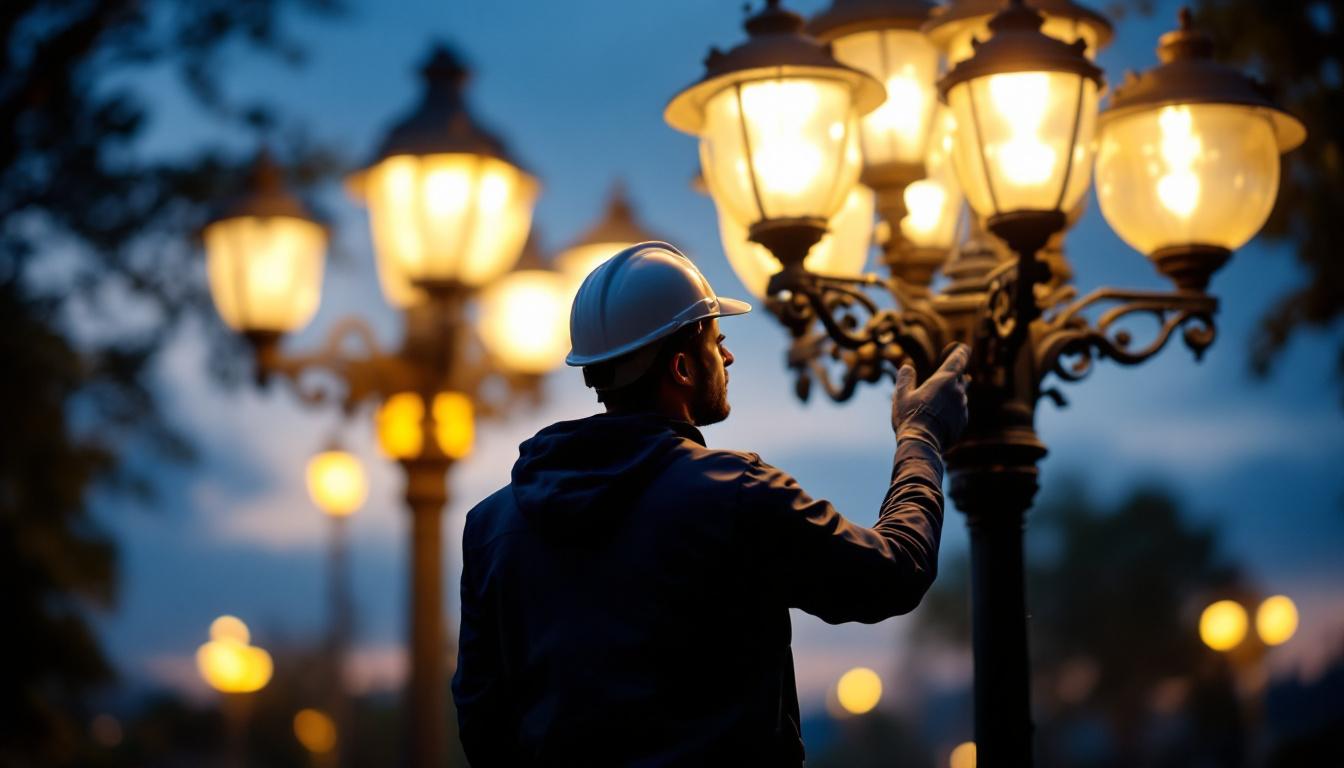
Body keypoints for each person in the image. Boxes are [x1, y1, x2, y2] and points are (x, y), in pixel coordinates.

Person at [453, 242, 969, 766]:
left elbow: (481, 724)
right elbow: (895, 570)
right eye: (716, 341)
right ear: (681, 367)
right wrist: (920, 438)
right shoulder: (734, 492)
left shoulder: (492, 527)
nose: (727, 356)